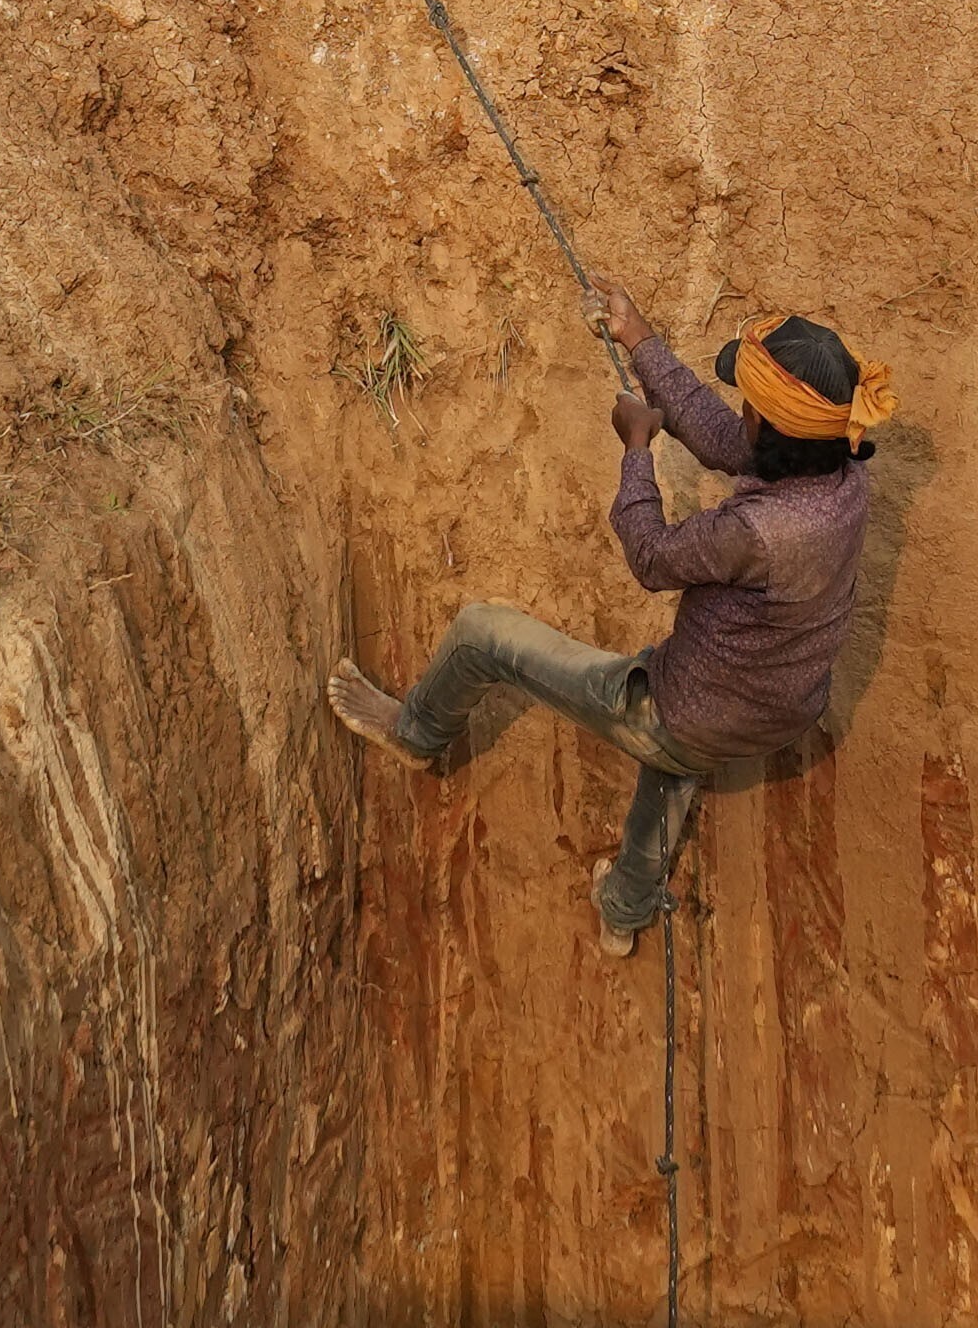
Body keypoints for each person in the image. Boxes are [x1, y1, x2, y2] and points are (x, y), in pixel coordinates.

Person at [323, 287, 894, 947]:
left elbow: (651, 557)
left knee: (485, 632)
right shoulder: (839, 476)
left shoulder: (757, 531)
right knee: (678, 759)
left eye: (751, 406)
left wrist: (635, 450)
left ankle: (417, 733)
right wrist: (640, 341)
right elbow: (722, 437)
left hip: (687, 708)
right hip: (779, 708)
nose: (742, 413)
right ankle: (623, 913)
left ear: (769, 427)